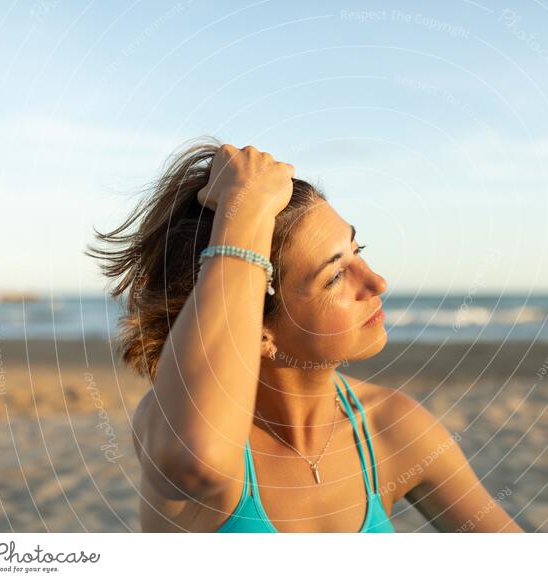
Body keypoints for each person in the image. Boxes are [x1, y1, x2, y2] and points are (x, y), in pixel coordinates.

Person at [88, 140, 525, 533]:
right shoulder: (173, 424)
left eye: (359, 252)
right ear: (260, 330)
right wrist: (245, 208)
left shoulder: (390, 427)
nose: (376, 283)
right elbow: (194, 461)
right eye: (336, 275)